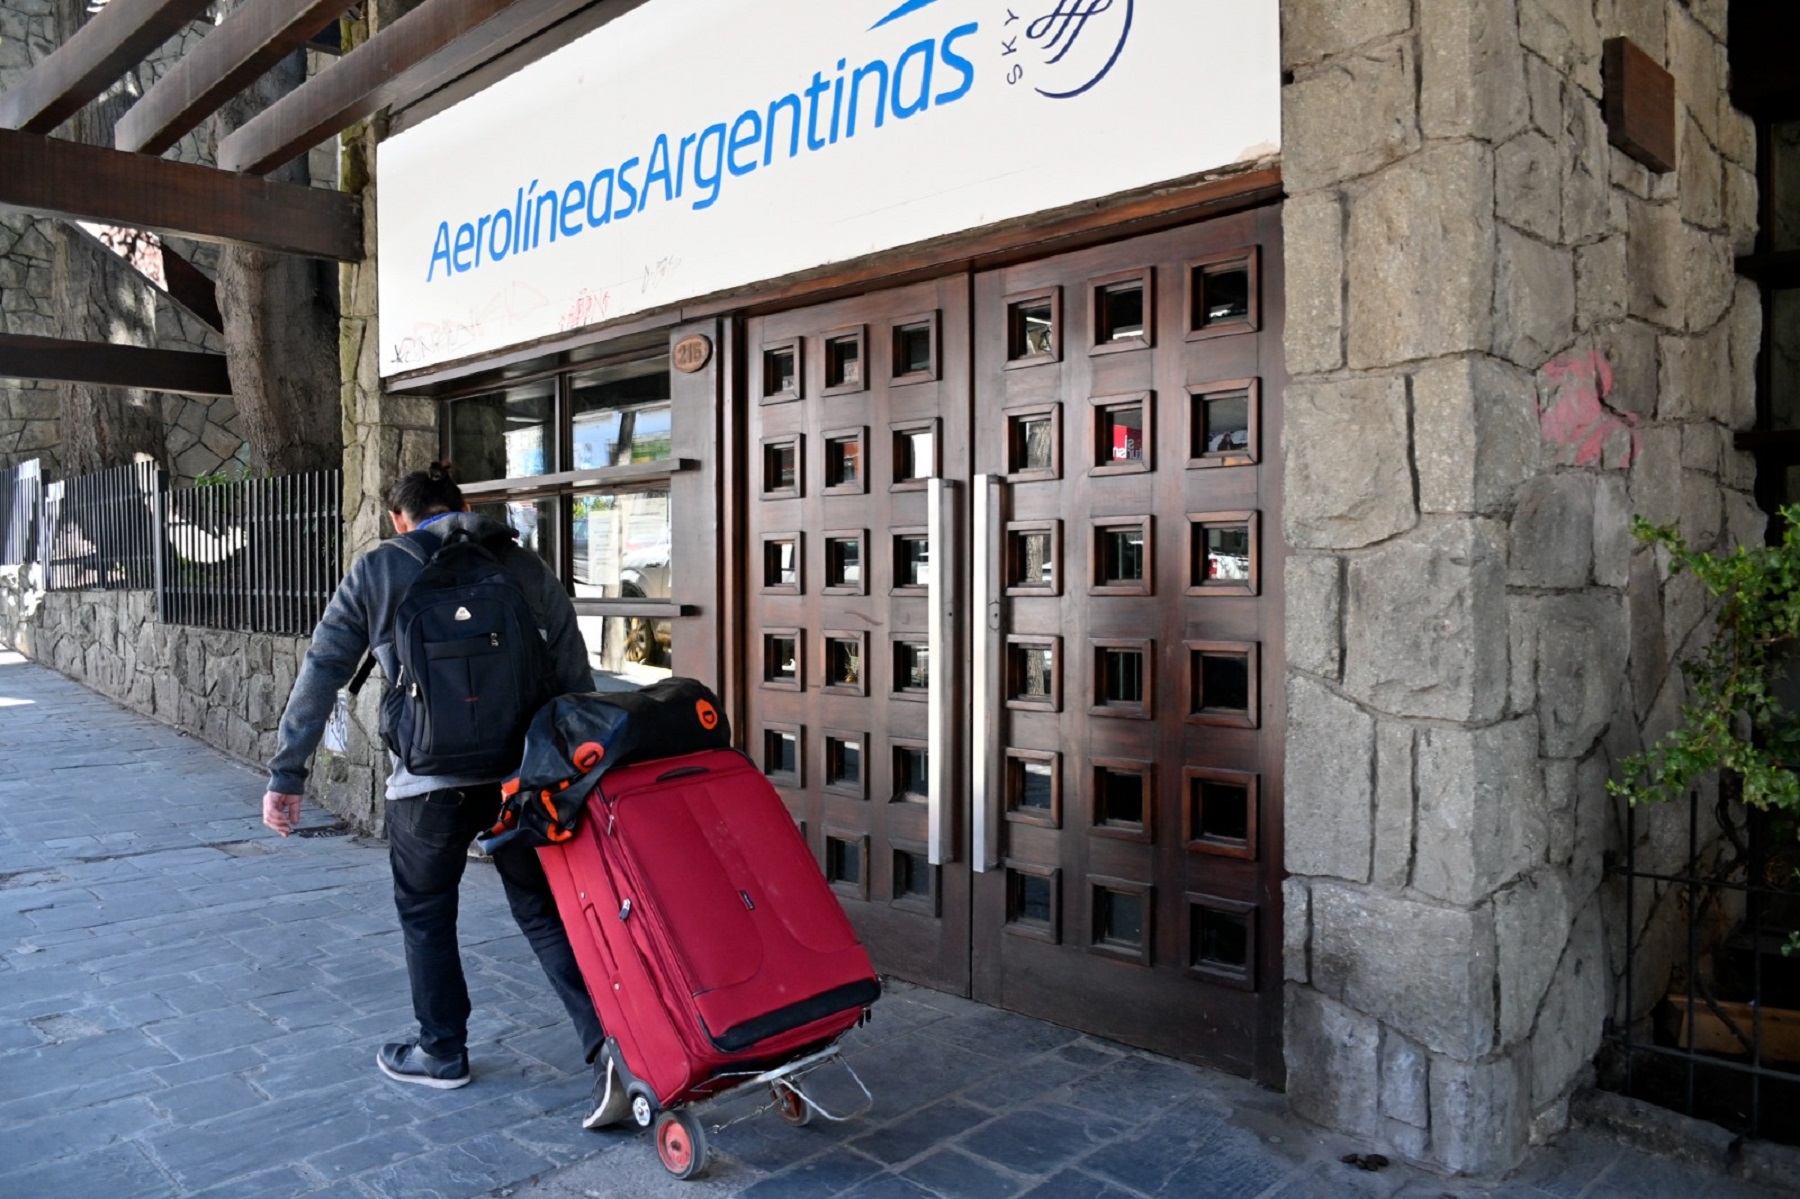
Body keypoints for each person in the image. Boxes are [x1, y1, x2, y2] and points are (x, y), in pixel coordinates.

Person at [262, 462, 624, 1127]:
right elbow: (571, 662)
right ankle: (611, 1047)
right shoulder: (520, 562)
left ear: (401, 518)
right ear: (464, 506)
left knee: (427, 912)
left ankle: (442, 1050)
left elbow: (323, 669)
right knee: (546, 912)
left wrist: (288, 774)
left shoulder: (380, 568)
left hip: (426, 786)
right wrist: (577, 765)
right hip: (523, 778)